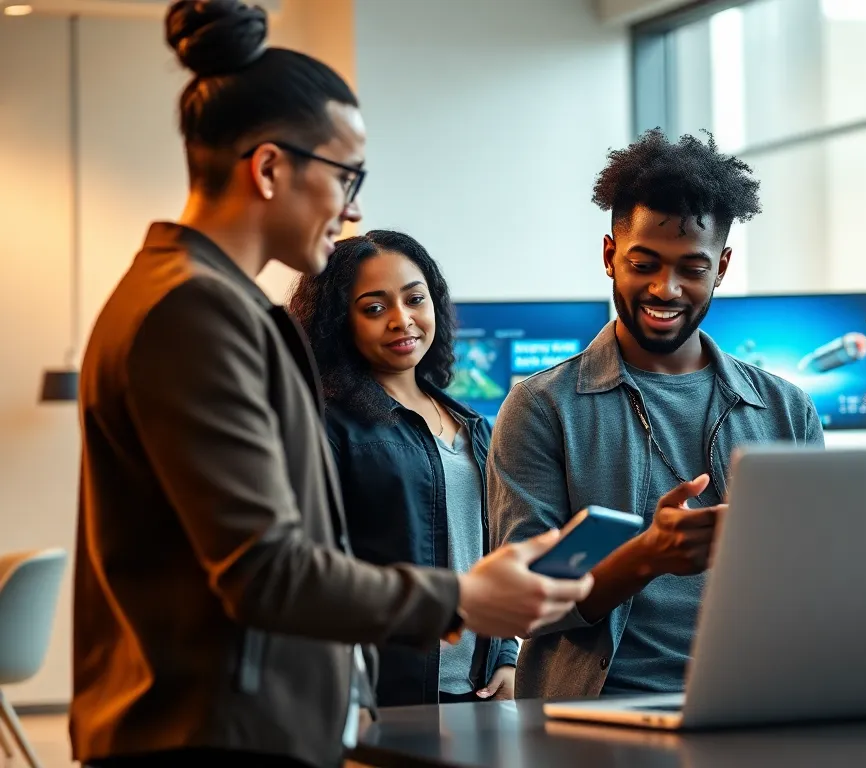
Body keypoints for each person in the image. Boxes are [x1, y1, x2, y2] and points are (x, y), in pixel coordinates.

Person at [72, 3, 589, 766]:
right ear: (269, 168)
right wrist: (463, 597)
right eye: (348, 176)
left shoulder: (203, 300)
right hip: (209, 735)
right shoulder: (193, 312)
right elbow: (265, 570)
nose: (354, 207)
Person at [488, 128, 824, 700]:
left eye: (691, 268)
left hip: (758, 703)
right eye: (644, 263)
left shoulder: (785, 410)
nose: (665, 289)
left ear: (722, 267)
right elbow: (525, 604)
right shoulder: (544, 407)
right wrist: (646, 556)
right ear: (609, 256)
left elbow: (817, 579)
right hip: (598, 716)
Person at [290, 230, 519, 707]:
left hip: (477, 689)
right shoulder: (326, 425)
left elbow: (487, 551)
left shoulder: (474, 425)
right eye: (375, 308)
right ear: (339, 322)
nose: (402, 319)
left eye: (415, 299)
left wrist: (504, 655)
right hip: (385, 694)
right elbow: (314, 570)